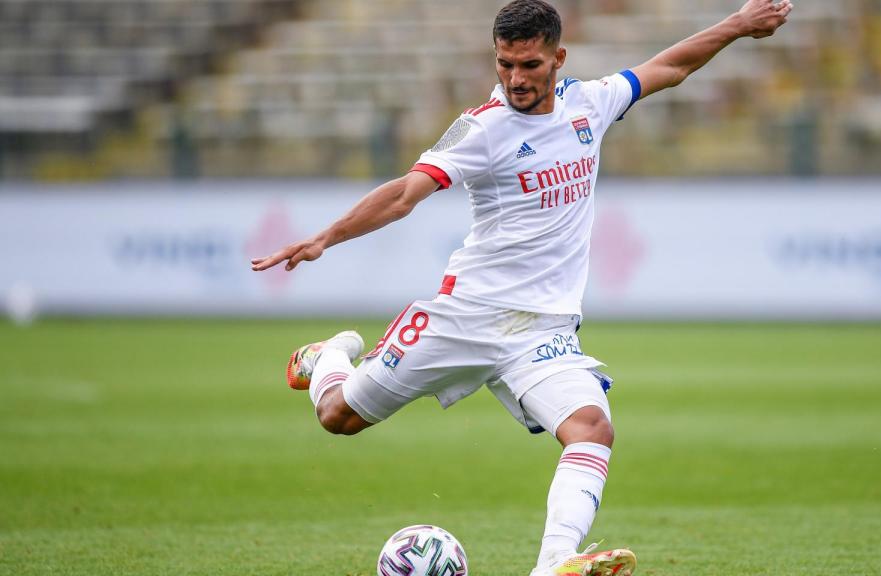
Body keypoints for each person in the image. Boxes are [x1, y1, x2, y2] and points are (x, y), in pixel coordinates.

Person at [252, 1, 792, 574]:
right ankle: (330, 356)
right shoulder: (484, 127)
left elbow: (670, 67)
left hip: (543, 330)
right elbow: (406, 193)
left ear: (558, 57)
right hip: (465, 317)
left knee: (591, 429)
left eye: (529, 64)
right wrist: (324, 238)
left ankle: (555, 562)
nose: (515, 78)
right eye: (504, 64)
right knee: (338, 416)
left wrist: (738, 23)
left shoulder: (590, 104)